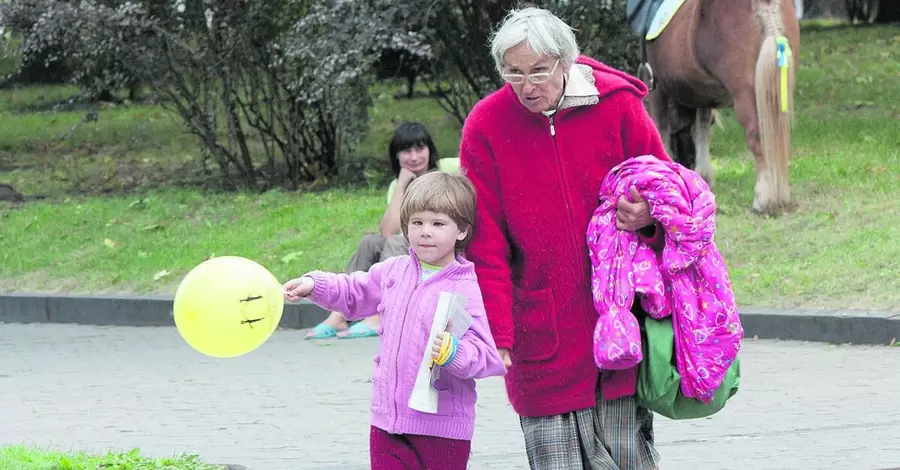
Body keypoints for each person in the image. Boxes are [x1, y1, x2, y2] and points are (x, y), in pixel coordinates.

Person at [459, 6, 672, 470]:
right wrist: (495, 330)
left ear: (566, 61)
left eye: (538, 70)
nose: (527, 86)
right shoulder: (486, 126)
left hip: (618, 326)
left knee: (629, 458)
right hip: (540, 331)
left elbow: (673, 194)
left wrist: (648, 217)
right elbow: (484, 245)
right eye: (513, 74)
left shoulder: (618, 107)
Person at [283, 171, 507, 470]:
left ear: (462, 230)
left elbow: (485, 355)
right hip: (387, 423)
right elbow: (354, 290)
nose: (426, 231)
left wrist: (454, 353)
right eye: (417, 222)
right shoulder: (393, 272)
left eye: (438, 223)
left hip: (442, 430)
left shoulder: (467, 289)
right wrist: (316, 285)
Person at [306, 121, 459, 339]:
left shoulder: (448, 168)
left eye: (419, 149)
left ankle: (379, 315)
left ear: (430, 150)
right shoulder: (397, 185)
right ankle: (339, 315)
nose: (414, 157)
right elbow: (388, 230)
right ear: (397, 156)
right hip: (416, 243)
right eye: (407, 151)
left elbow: (477, 163)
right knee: (370, 242)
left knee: (395, 243)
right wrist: (402, 184)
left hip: (445, 241)